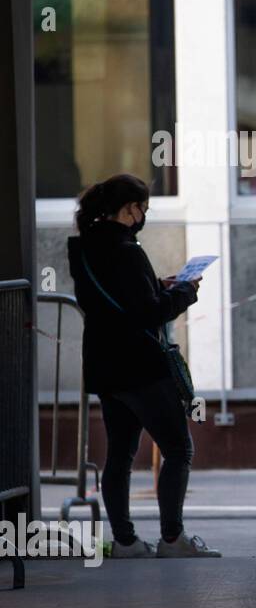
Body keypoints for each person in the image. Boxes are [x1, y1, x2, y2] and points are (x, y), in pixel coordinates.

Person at [67, 174, 221, 558]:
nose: (143, 216)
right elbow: (147, 313)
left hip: (104, 365)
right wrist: (184, 292)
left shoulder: (84, 248)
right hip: (140, 366)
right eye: (143, 209)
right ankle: (172, 539)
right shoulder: (126, 249)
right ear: (130, 209)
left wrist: (157, 285)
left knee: (119, 454)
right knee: (177, 449)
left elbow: (117, 300)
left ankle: (124, 541)